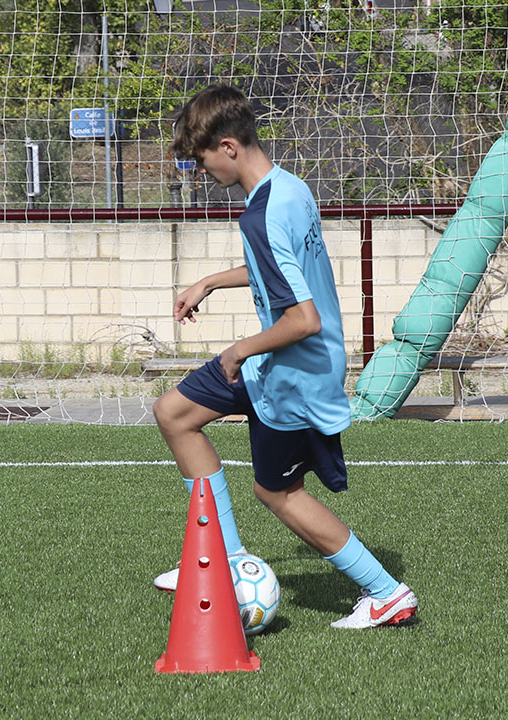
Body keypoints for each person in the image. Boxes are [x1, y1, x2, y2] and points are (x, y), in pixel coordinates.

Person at [151, 85, 417, 629]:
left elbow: (303, 318)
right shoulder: (289, 189)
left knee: (279, 493)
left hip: (292, 371)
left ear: (227, 146)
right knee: (174, 413)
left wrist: (242, 347)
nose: (203, 175)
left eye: (202, 162)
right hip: (283, 366)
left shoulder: (261, 214)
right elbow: (278, 268)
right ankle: (219, 560)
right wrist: (211, 282)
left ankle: (385, 591)